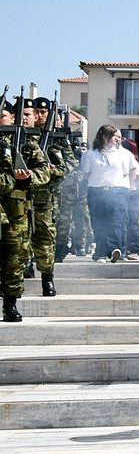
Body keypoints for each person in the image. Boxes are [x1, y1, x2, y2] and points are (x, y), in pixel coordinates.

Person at [1, 104, 50, 321]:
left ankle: (10, 304)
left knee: (15, 259)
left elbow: (44, 171)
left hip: (15, 212)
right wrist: (11, 180)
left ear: (12, 117)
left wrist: (29, 178)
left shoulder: (26, 145)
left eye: (2, 115)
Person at [28, 98, 74, 293]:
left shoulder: (57, 138)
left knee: (46, 237)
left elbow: (70, 165)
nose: (40, 115)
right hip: (21, 193)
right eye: (36, 112)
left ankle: (47, 277)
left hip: (46, 195)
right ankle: (25, 266)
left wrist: (52, 172)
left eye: (43, 112)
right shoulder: (22, 136)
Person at [80, 125, 136, 263]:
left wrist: (125, 186)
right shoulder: (90, 154)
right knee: (98, 222)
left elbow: (131, 172)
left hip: (118, 192)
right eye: (113, 136)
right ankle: (100, 252)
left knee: (116, 222)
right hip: (96, 191)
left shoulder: (124, 154)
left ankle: (114, 250)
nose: (117, 139)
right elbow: (86, 173)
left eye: (118, 137)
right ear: (104, 136)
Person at [124, 155, 139, 260]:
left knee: (132, 221)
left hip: (133, 194)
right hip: (122, 192)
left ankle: (135, 249)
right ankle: (124, 247)